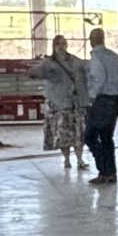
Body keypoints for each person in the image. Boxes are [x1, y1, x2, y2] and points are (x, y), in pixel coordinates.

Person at [27, 33, 89, 173]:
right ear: (54, 46)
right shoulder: (49, 63)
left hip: (75, 103)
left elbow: (85, 68)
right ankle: (66, 159)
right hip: (59, 104)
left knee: (78, 132)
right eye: (58, 44)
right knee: (62, 133)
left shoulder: (74, 61)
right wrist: (33, 72)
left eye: (63, 43)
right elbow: (38, 72)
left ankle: (79, 159)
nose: (61, 46)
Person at [83, 25, 118, 183]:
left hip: (102, 101)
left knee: (90, 136)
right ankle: (111, 173)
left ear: (91, 41)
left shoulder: (96, 57)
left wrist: (91, 96)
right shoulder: (114, 56)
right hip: (114, 101)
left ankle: (104, 171)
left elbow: (99, 78)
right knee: (107, 138)